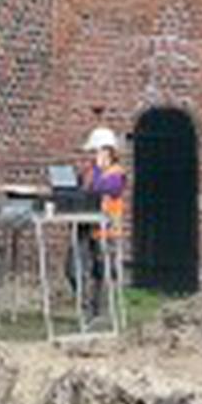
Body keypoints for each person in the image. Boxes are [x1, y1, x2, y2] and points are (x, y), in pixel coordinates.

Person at [70, 125, 128, 320]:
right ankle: (85, 306)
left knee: (100, 271)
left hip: (105, 230)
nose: (92, 156)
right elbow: (79, 191)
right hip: (85, 225)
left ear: (107, 151)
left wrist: (94, 170)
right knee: (72, 268)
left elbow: (100, 188)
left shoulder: (116, 173)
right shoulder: (90, 172)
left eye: (95, 151)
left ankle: (97, 311)